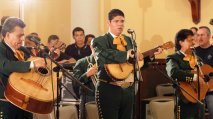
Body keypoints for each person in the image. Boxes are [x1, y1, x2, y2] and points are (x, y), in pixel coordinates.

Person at [91, 9, 144, 119]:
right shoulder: (99, 40)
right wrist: (126, 54)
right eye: (116, 21)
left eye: (122, 21)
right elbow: (104, 55)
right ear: (109, 23)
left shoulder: (129, 40)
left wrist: (149, 56)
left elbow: (133, 64)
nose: (120, 24)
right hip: (108, 88)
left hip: (127, 90)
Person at [0, 17, 45, 119]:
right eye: (19, 36)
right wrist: (31, 64)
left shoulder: (23, 50)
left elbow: (35, 66)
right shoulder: (0, 49)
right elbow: (5, 66)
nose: (22, 39)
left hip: (26, 102)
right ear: (7, 35)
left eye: (23, 36)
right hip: (7, 103)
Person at [166, 29, 205, 119]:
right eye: (190, 40)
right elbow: (173, 72)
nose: (193, 42)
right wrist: (194, 77)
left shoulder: (197, 58)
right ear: (181, 42)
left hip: (200, 97)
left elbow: (204, 75)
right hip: (184, 99)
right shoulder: (173, 58)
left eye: (193, 40)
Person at [73, 45, 96, 119]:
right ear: (91, 47)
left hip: (105, 96)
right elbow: (75, 82)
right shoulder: (82, 62)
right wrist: (87, 74)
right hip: (89, 96)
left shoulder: (106, 63)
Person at [195, 26, 213, 119]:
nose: (199, 37)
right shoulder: (193, 52)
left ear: (209, 36)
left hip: (211, 90)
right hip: (196, 91)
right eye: (198, 35)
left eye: (202, 35)